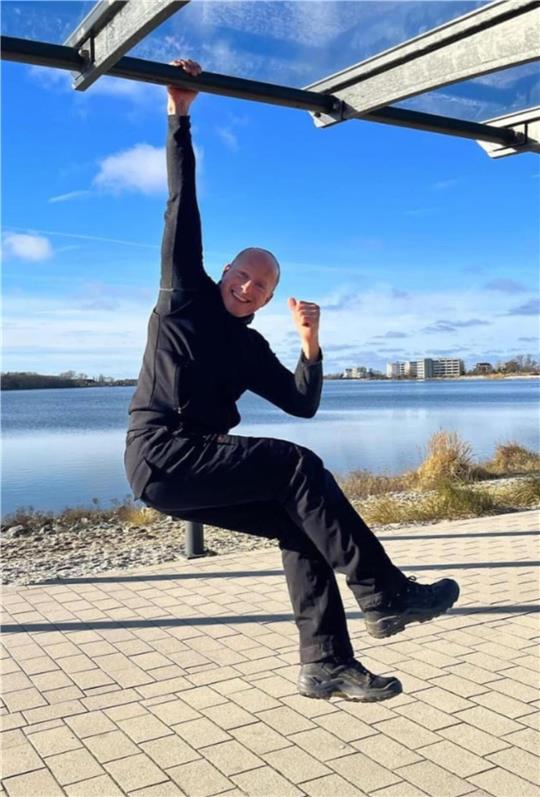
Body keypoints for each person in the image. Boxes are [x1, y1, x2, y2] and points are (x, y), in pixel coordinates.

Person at [125, 58, 459, 703]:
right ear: (222, 271)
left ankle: (326, 663)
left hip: (187, 475)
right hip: (162, 449)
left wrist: (310, 344)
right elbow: (180, 203)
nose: (247, 287)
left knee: (298, 521)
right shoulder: (182, 297)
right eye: (242, 275)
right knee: (297, 467)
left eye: (262, 285)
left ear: (268, 297)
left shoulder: (249, 348)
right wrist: (180, 114)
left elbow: (301, 403)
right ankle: (384, 593)